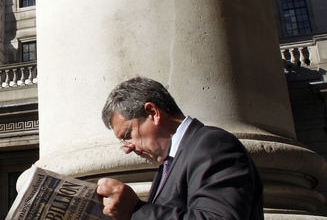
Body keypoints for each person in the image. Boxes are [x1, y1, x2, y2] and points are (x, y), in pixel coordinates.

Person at [96, 77, 263, 219]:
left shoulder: (213, 145)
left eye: (128, 134)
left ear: (153, 112)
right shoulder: (168, 164)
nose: (127, 149)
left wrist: (136, 210)